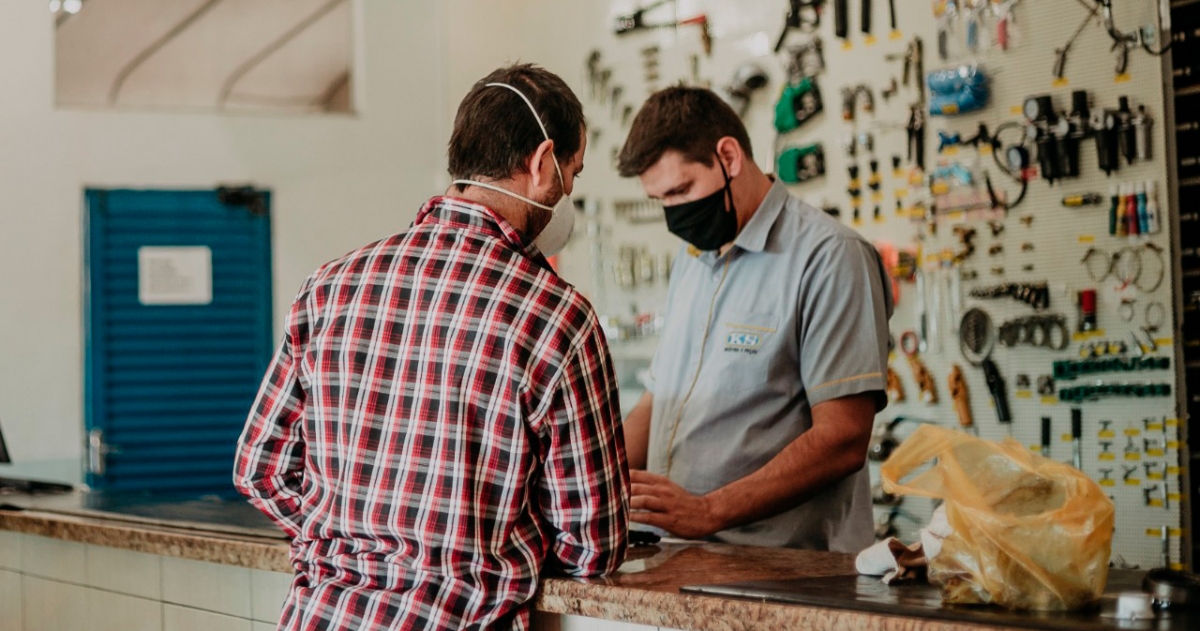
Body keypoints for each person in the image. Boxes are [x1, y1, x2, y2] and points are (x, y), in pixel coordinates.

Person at [234, 64, 629, 631]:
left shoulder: (330, 286)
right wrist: (475, 543)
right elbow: (593, 544)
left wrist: (354, 540)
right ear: (543, 164)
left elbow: (261, 470)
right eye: (573, 172)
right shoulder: (556, 318)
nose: (567, 191)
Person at [616, 86, 893, 552]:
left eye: (681, 190)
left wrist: (708, 511)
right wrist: (589, 481)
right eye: (660, 199)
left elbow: (843, 437)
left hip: (786, 575)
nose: (674, 214)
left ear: (729, 157)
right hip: (681, 559)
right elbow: (658, 398)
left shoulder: (829, 258)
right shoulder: (693, 260)